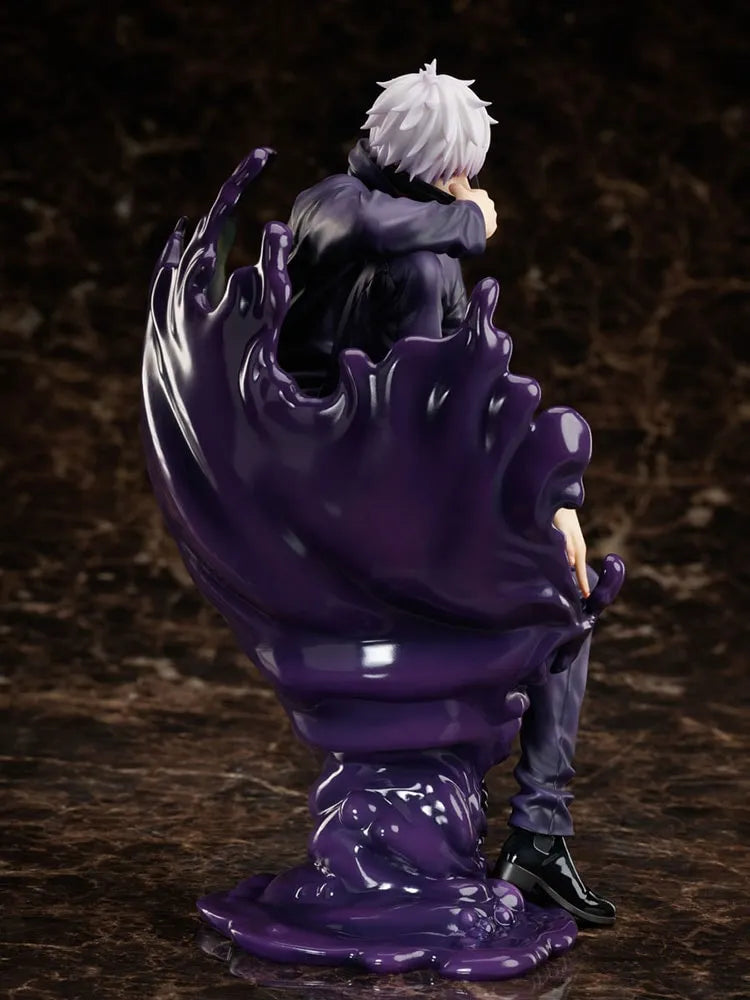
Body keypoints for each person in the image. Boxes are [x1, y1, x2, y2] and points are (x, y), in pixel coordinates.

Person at [279, 60, 615, 926]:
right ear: (443, 165)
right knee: (551, 601)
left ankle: (539, 835)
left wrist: (557, 495)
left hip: (399, 486)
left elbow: (475, 389)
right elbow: (441, 404)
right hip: (357, 502)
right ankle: (527, 830)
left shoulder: (407, 244)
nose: (470, 183)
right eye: (462, 168)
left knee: (567, 583)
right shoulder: (353, 218)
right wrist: (467, 221)